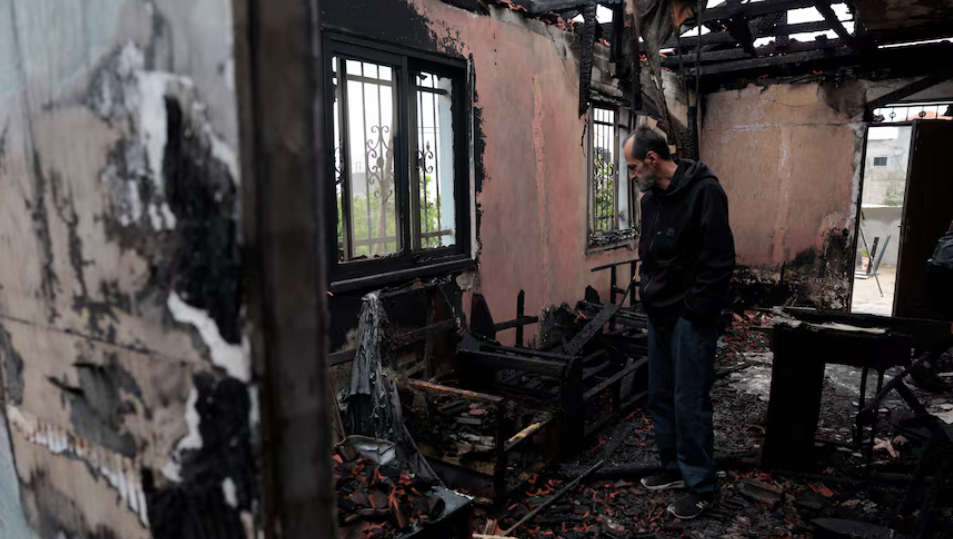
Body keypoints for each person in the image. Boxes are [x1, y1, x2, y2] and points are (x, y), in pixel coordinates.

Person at [624, 127, 735, 519]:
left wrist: (694, 310)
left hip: (691, 316)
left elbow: (719, 261)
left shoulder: (705, 192)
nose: (632, 174)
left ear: (652, 159)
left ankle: (702, 487)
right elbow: (652, 254)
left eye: (634, 167)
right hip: (660, 313)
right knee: (661, 394)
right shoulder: (650, 200)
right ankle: (673, 469)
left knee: (689, 400)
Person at [909, 217, 953, 392]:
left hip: (939, 267)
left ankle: (922, 366)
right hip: (945, 271)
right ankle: (921, 367)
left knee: (935, 320)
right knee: (943, 323)